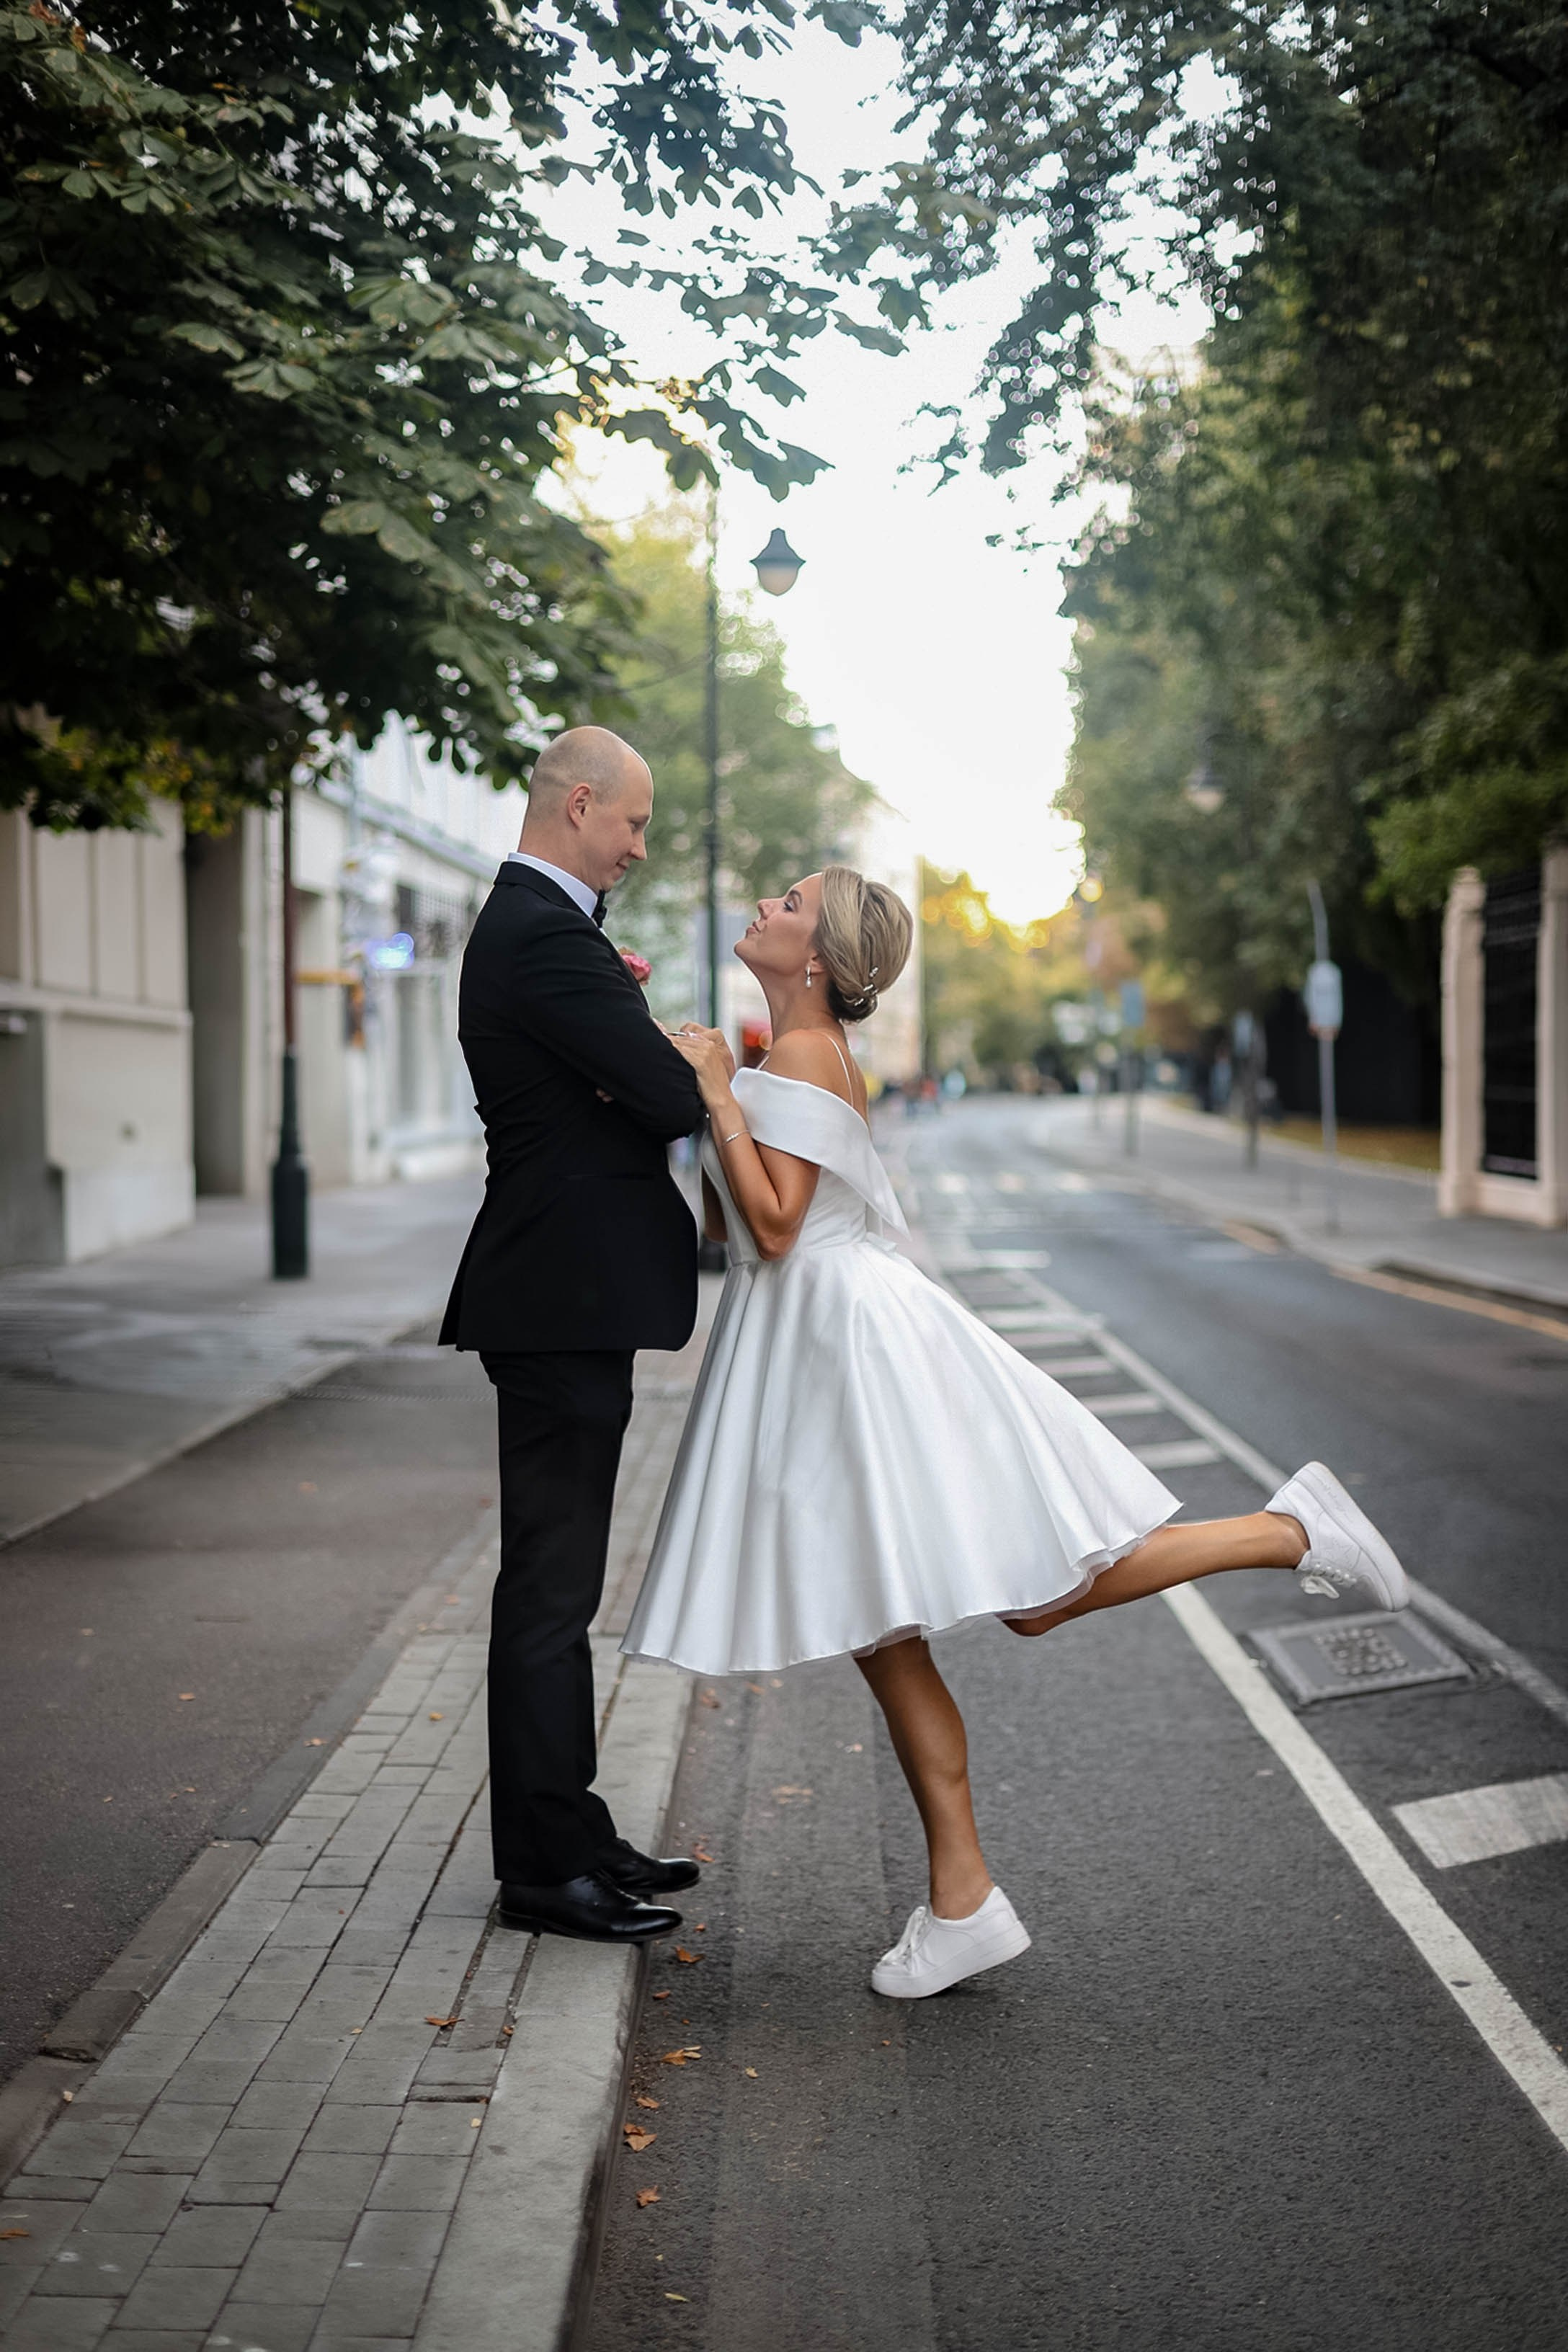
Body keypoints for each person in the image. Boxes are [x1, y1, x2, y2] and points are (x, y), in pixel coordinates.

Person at [623, 866, 1409, 1999]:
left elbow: (779, 1227)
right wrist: (710, 1097)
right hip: (824, 1346)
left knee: (1008, 1602)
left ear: (822, 962)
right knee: (888, 1630)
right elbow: (748, 1224)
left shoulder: (793, 1057)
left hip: (849, 1354)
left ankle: (1287, 1533)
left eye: (789, 902)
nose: (766, 908)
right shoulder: (793, 1054)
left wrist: (717, 1095)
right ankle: (964, 1901)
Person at [440, 727, 716, 1946]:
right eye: (635, 826)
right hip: (555, 1302)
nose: (640, 848)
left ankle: (573, 1827)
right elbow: (665, 1099)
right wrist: (646, 1048)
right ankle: (545, 1870)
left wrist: (625, 1021)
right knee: (548, 1598)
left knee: (560, 1591)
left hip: (563, 1299)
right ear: (582, 804)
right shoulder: (545, 932)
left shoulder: (554, 933)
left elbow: (617, 1081)